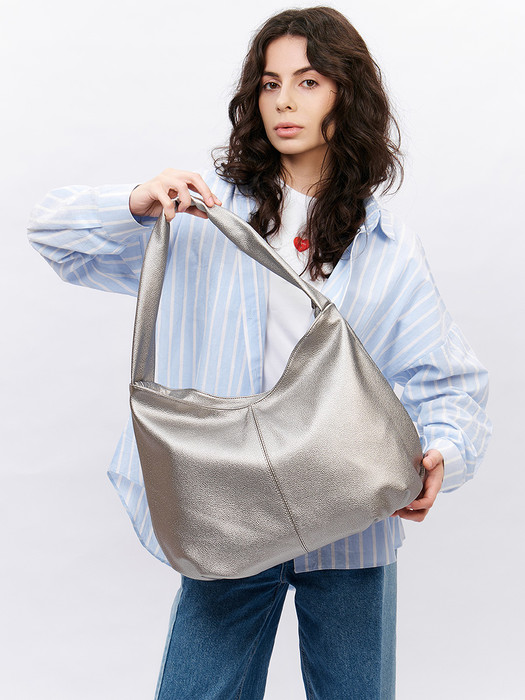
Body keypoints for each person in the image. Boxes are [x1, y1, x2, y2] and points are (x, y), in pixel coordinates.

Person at [27, 6, 492, 699]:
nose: (283, 101)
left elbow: (445, 380)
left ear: (346, 96)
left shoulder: (385, 245)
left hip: (350, 512)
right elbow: (52, 235)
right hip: (227, 513)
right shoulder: (200, 213)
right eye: (271, 83)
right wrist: (135, 200)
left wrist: (442, 455)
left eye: (308, 82)